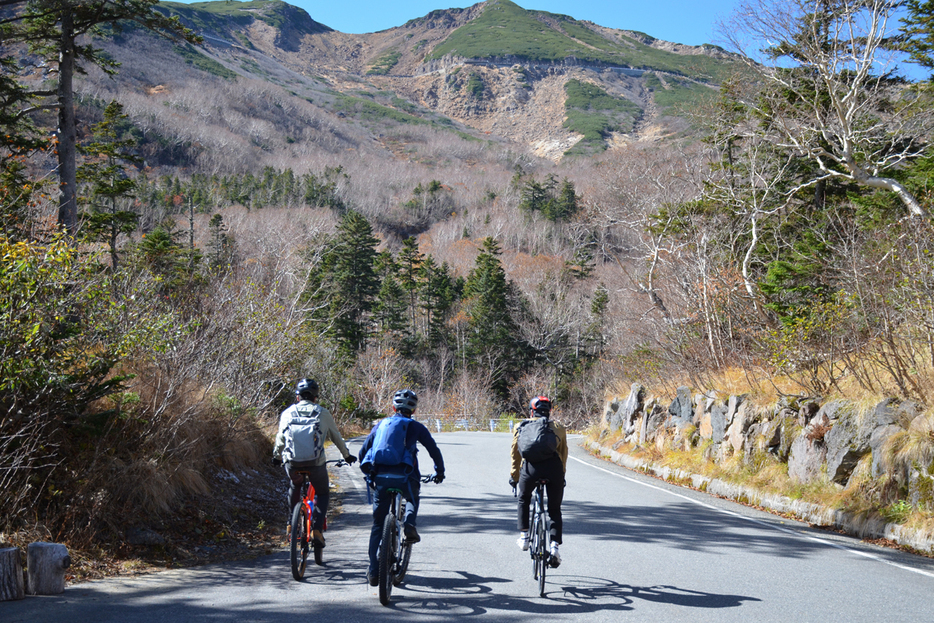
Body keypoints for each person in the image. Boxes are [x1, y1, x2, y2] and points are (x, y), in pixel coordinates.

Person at [358, 389, 444, 587]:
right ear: (413, 411)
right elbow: (433, 449)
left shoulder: (381, 425)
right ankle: (410, 524)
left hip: (380, 477)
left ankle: (373, 571)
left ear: (393, 407)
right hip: (405, 476)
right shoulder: (416, 427)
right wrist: (439, 471)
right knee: (413, 497)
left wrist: (368, 472)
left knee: (378, 525)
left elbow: (364, 450)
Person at [273, 378, 356, 546]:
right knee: (323, 493)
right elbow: (336, 437)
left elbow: (280, 438)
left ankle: (291, 523)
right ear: (315, 397)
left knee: (295, 485)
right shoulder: (322, 413)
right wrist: (346, 455)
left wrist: (276, 456)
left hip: (293, 464)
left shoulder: (287, 413)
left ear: (298, 397)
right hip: (316, 464)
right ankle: (316, 530)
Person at [510, 395, 568, 566]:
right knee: (554, 510)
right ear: (549, 412)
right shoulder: (558, 427)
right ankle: (555, 548)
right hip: (553, 469)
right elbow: (563, 454)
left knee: (524, 498)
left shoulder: (521, 426)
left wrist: (514, 476)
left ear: (531, 411)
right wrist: (561, 475)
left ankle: (525, 537)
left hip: (530, 469)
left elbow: (515, 454)